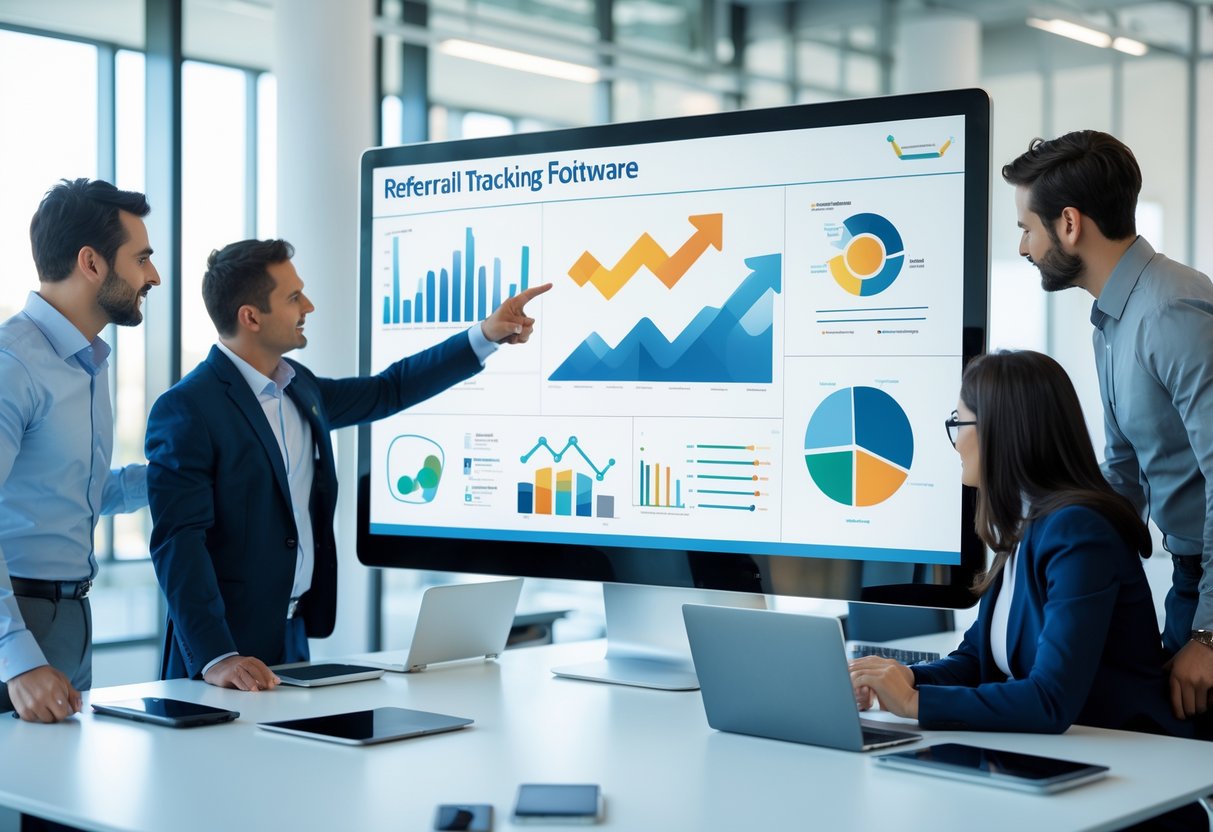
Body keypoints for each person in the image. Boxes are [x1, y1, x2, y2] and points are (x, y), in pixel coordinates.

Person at [145, 239, 549, 691]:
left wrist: (486, 335)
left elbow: (388, 390)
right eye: (294, 297)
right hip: (222, 652)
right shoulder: (188, 408)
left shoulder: (300, 388)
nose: (308, 306)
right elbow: (178, 541)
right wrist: (217, 656)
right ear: (251, 317)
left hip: (292, 634)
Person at [850, 350, 1191, 738]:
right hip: (1064, 750)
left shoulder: (1080, 531)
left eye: (959, 422)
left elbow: (1050, 700)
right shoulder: (1027, 524)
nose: (956, 442)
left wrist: (914, 703)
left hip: (1132, 753)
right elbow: (976, 658)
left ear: (1000, 430)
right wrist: (904, 678)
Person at [1002, 131, 1213, 727]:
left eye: (1027, 228)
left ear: (1069, 224)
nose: (1023, 246)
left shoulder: (1170, 312)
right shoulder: (1112, 322)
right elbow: (1122, 474)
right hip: (1189, 579)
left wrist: (1210, 633)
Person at [0, 178, 158, 723]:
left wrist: (168, 477)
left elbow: (67, 492)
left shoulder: (88, 362)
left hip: (71, 616)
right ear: (91, 263)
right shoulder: (12, 365)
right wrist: (16, 657)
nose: (153, 276)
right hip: (16, 622)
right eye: (142, 259)